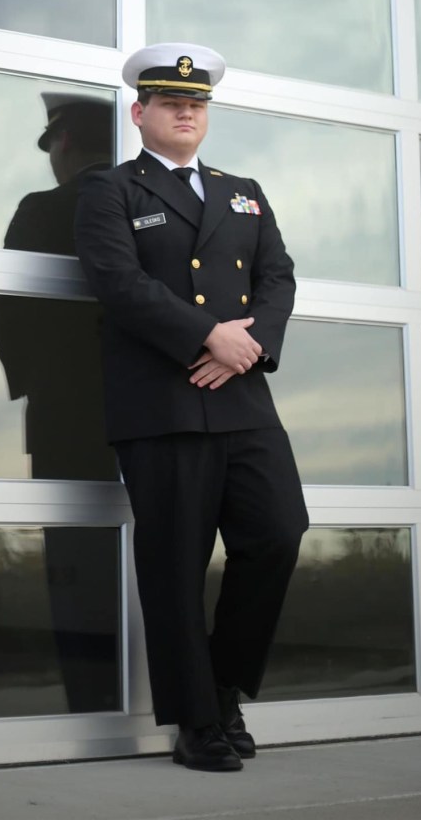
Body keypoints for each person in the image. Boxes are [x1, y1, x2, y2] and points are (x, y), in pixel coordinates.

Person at [74, 43, 309, 772]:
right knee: (175, 564)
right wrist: (208, 334)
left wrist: (248, 345)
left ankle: (224, 686)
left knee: (278, 533)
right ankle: (197, 721)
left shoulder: (244, 191)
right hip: (162, 404)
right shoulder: (110, 189)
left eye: (196, 104)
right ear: (138, 113)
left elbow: (278, 278)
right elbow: (117, 281)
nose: (186, 112)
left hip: (242, 395)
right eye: (171, 103)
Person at [0, 92, 119, 714]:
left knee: (78, 578)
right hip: (162, 419)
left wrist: (38, 385)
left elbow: (8, 309)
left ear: (62, 142)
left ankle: (94, 709)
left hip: (68, 426)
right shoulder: (156, 205)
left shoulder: (43, 210)